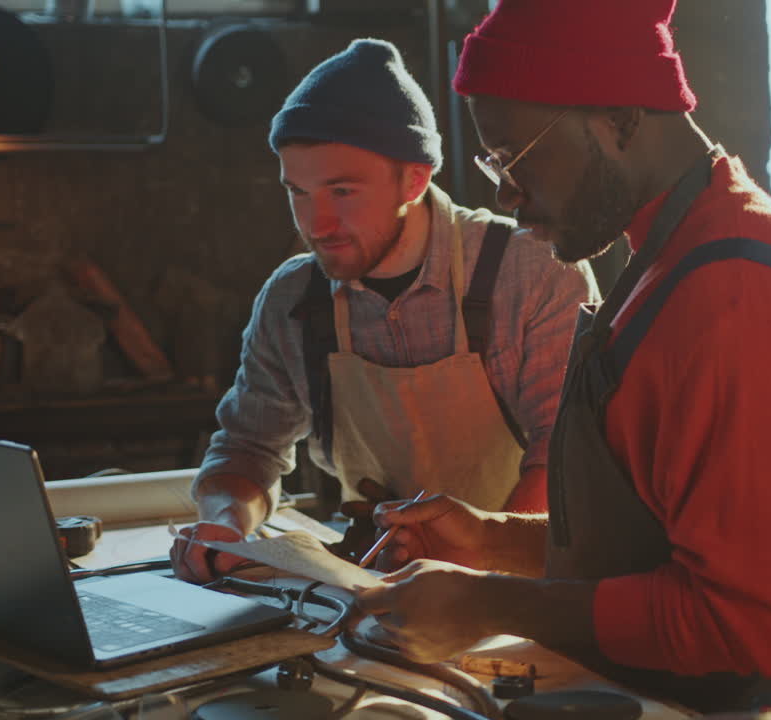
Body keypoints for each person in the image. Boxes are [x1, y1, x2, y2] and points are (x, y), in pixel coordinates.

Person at [356, 2, 771, 716]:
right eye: (492, 164)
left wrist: (491, 604)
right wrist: (491, 541)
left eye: (515, 157)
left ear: (621, 119)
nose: (509, 199)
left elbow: (745, 626)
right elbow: (652, 541)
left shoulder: (735, 295)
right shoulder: (664, 256)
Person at [170, 38, 598, 582]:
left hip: (522, 583)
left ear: (415, 179)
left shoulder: (533, 273)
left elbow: (563, 459)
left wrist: (483, 558)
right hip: (376, 579)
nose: (316, 224)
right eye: (298, 192)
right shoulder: (293, 301)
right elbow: (247, 449)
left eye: (342, 191)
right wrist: (226, 527)